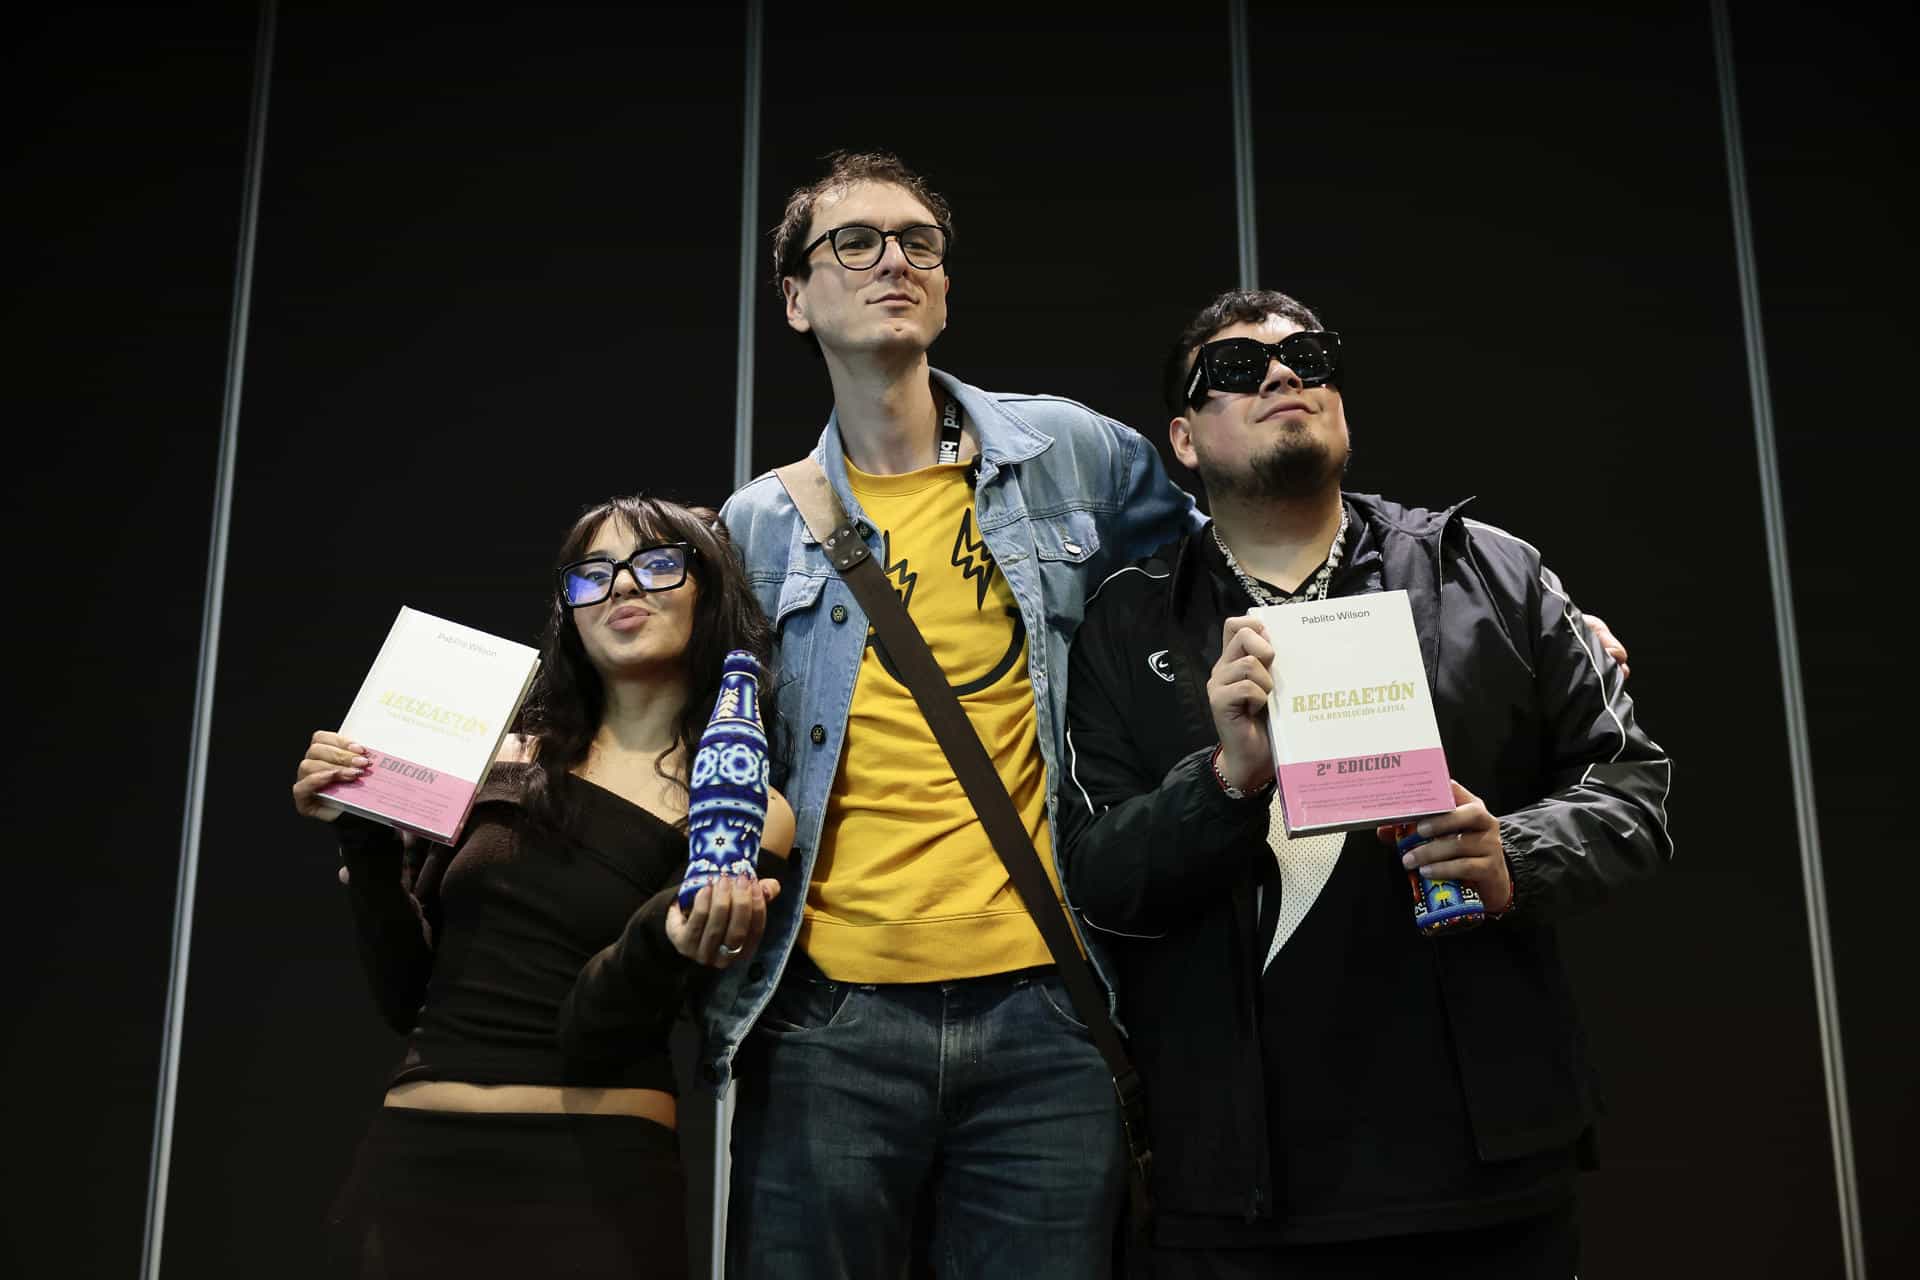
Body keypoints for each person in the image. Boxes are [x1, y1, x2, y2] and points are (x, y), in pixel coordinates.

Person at [1056, 288, 1674, 1278]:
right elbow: (1096, 877)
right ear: (1181, 435)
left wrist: (1514, 854)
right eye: (1234, 368)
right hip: (1236, 1194)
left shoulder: (1495, 574)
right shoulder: (1126, 626)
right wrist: (1223, 780)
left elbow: (1633, 785)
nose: (1283, 374)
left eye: (1310, 355)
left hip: (1486, 1177)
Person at [705, 150, 1203, 1278]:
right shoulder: (760, 524)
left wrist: (1437, 596)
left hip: (1049, 1008)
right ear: (795, 298)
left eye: (917, 242)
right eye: (855, 242)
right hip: (830, 1015)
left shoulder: (1069, 456)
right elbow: (685, 725)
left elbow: (1238, 548)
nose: (893, 260)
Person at [293, 495, 794, 1278]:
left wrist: (667, 933)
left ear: (711, 589)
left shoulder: (740, 801)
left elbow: (595, 1033)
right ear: (569, 609)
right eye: (592, 576)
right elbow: (405, 995)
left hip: (592, 1183)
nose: (622, 589)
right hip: (411, 1171)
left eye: (657, 564)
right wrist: (357, 824)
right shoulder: (504, 755)